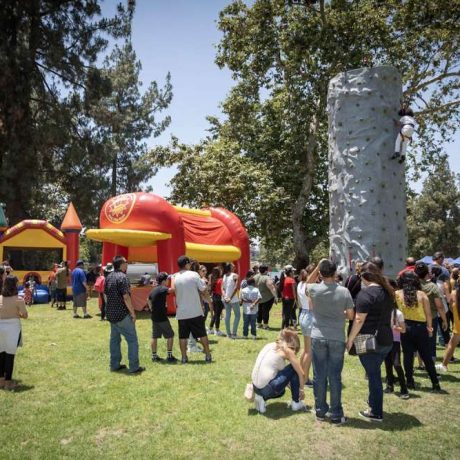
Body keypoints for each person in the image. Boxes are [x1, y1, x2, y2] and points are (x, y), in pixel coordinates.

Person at [308, 259, 355, 425]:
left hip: (318, 335)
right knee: (335, 377)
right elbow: (351, 316)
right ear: (335, 273)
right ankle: (336, 413)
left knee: (319, 375)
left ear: (320, 273)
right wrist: (339, 313)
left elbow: (308, 282)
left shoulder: (313, 289)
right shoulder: (344, 292)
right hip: (337, 337)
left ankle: (320, 410)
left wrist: (318, 265)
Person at [346, 262, 394, 422]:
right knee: (374, 373)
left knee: (374, 376)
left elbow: (358, 320)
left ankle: (376, 411)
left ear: (364, 277)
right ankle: (373, 400)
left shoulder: (365, 295)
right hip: (387, 339)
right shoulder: (388, 291)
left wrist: (350, 339)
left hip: (369, 342)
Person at [395, 271, 441, 391]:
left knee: (408, 356)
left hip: (405, 327)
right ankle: (435, 383)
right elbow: (429, 314)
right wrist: (430, 329)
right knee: (426, 356)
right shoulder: (422, 294)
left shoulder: (397, 294)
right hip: (421, 328)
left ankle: (409, 381)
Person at [104, 255, 144, 374]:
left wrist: (109, 308)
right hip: (122, 314)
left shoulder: (109, 276)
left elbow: (105, 295)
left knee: (114, 340)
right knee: (132, 340)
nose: (127, 264)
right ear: (121, 264)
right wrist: (132, 313)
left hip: (111, 314)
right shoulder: (123, 277)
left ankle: (114, 364)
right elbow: (126, 297)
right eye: (126, 262)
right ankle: (134, 367)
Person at [251, 328, 306, 413]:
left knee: (282, 389)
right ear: (292, 345)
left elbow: (284, 378)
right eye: (294, 349)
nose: (294, 352)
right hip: (266, 389)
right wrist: (301, 390)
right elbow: (301, 374)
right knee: (294, 368)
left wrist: (294, 388)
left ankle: (261, 397)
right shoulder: (288, 351)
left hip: (255, 387)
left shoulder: (270, 345)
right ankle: (296, 402)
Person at [172, 255, 212, 364]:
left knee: (183, 336)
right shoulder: (194, 275)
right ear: (186, 264)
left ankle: (184, 357)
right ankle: (208, 355)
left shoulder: (175, 277)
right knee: (202, 334)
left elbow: (173, 291)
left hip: (182, 312)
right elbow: (203, 290)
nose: (190, 265)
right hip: (195, 311)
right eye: (189, 263)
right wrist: (208, 300)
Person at [414, 262, 447, 361]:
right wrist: (444, 320)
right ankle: (430, 367)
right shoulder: (432, 286)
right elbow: (439, 306)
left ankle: (420, 364)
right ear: (427, 273)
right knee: (430, 344)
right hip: (431, 318)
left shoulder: (412, 285)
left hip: (415, 318)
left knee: (418, 342)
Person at [0, 276, 28, 391]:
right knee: (10, 355)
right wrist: (17, 314)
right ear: (15, 285)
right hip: (13, 327)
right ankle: (8, 382)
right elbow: (25, 315)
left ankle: (1, 380)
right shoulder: (19, 299)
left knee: (1, 353)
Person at [148, 272, 178, 363]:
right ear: (164, 281)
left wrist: (152, 309)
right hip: (162, 317)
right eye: (167, 280)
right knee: (171, 335)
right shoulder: (162, 288)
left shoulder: (154, 289)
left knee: (154, 336)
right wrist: (173, 279)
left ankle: (154, 356)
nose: (168, 281)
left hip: (154, 316)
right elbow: (172, 290)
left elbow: (148, 299)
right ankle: (169, 356)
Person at [383, 302, 409, 399]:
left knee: (396, 364)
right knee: (388, 364)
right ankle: (390, 386)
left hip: (395, 342)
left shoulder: (398, 313)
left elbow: (404, 330)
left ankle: (404, 388)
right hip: (385, 340)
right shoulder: (383, 312)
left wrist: (396, 327)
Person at [437, 268, 460, 372]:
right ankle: (444, 365)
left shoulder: (455, 292)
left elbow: (451, 305)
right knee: (451, 343)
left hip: (458, 322)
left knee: (452, 343)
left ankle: (444, 365)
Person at [297, 268, 314, 388]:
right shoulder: (309, 286)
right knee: (309, 351)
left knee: (305, 349)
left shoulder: (300, 284)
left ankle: (299, 374)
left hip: (303, 314)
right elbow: (312, 305)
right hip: (309, 315)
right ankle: (306, 379)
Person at [254, 264, 277, 330]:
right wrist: (275, 297)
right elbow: (271, 287)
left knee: (259, 311)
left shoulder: (255, 276)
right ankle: (265, 325)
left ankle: (258, 324)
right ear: (266, 270)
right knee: (265, 311)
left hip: (258, 297)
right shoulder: (267, 277)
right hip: (267, 298)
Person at [222, 262, 240, 339]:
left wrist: (225, 296)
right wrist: (230, 298)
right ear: (230, 267)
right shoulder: (235, 275)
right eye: (233, 265)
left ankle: (228, 334)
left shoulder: (224, 276)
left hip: (225, 299)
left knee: (227, 315)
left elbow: (222, 288)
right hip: (233, 299)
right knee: (237, 315)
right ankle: (234, 333)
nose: (234, 266)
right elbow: (236, 287)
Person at [209, 266, 225, 336]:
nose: (222, 271)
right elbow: (222, 290)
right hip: (219, 298)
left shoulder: (213, 280)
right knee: (217, 315)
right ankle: (217, 330)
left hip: (214, 298)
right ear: (219, 272)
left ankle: (210, 329)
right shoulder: (221, 280)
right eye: (220, 270)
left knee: (215, 315)